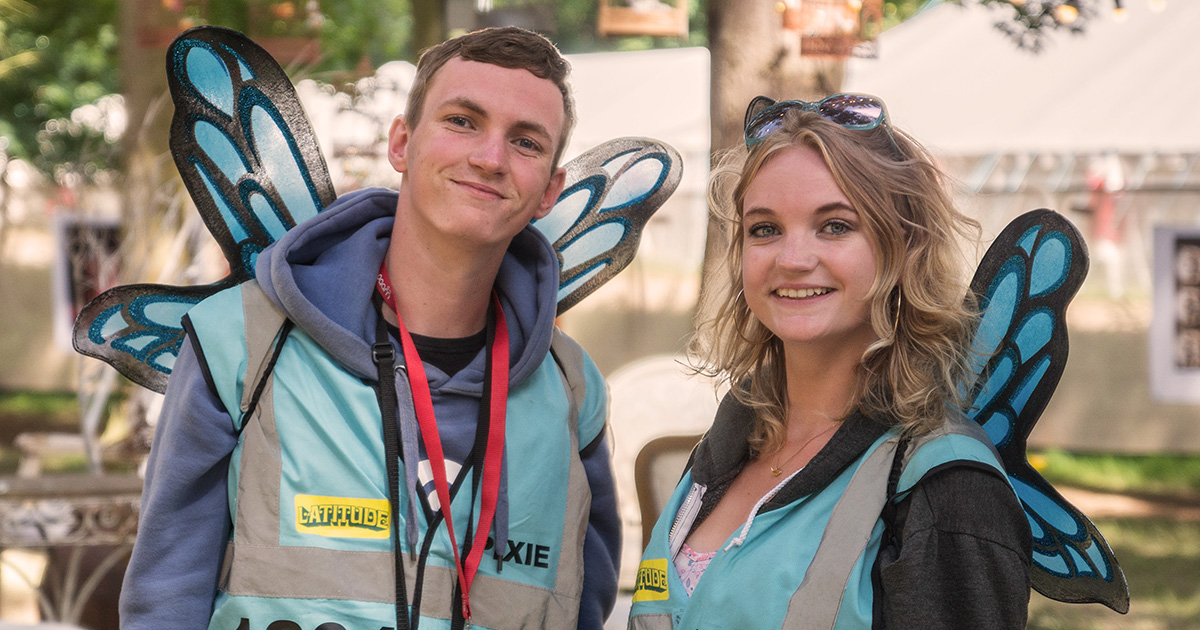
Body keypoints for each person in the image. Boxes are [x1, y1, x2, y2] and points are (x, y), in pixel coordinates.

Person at [120, 27, 620, 630]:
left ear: (550, 191)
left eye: (526, 142)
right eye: (462, 121)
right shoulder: (241, 341)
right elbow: (164, 598)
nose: (490, 158)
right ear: (402, 143)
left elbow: (586, 607)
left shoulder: (573, 392)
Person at [628, 94, 1031, 629]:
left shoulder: (946, 488)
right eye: (765, 229)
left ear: (902, 247)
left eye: (835, 226)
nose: (792, 260)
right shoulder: (726, 446)